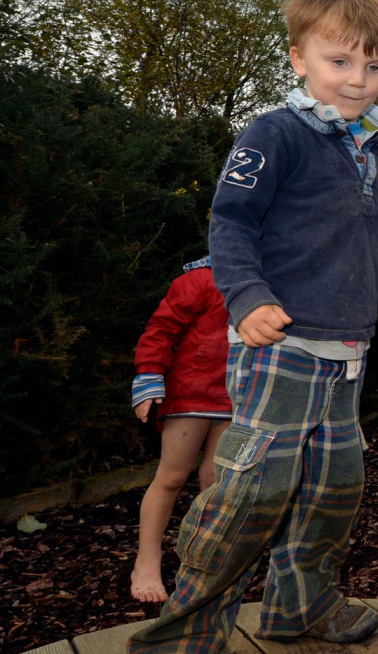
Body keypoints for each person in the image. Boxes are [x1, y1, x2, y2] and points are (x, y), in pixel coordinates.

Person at [128, 0, 378, 653]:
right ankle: (184, 632)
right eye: (340, 60)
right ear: (299, 58)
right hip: (281, 350)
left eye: (374, 65)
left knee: (334, 489)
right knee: (250, 494)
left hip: (349, 355)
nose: (358, 78)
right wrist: (247, 298)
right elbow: (231, 223)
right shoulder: (275, 134)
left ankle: (298, 607)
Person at [129, 256, 233, 603]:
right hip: (192, 391)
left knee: (216, 479)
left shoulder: (270, 279)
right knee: (172, 476)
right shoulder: (201, 279)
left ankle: (204, 558)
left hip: (237, 394)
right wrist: (149, 374)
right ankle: (147, 560)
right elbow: (161, 328)